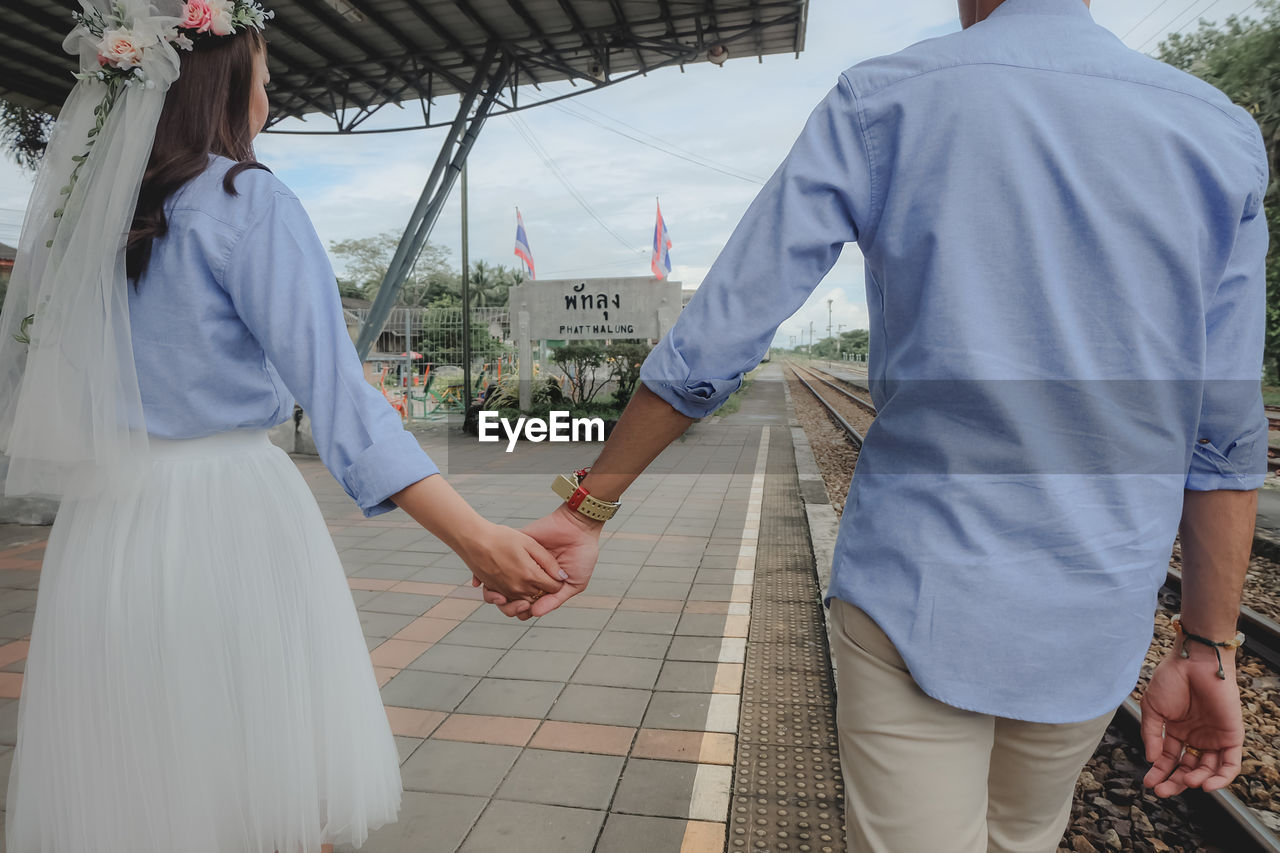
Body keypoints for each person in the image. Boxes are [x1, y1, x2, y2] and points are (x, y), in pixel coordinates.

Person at [497, 0, 1269, 851]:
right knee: (1025, 831)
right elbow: (1223, 433)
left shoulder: (888, 97)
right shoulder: (1218, 132)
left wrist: (586, 508)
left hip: (918, 587)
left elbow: (722, 332)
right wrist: (1208, 644)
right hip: (1099, 607)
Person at [0, 2, 563, 851]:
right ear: (222, 88)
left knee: (139, 782)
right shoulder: (245, 200)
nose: (270, 97)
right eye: (264, 78)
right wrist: (475, 535)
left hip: (106, 523)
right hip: (228, 515)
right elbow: (340, 399)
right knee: (270, 785)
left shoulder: (93, 227)